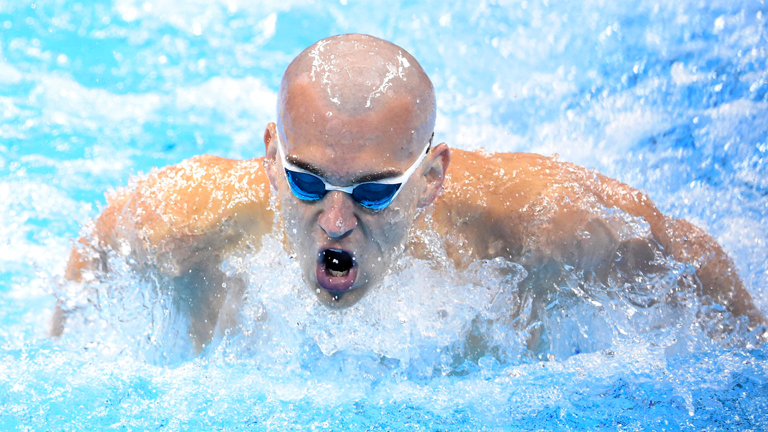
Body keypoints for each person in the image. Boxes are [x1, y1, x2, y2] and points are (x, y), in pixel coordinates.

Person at [51, 34, 765, 352]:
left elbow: (687, 255)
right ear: (271, 159)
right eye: (306, 183)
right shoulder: (182, 223)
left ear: (431, 180)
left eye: (375, 193)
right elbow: (95, 252)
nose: (335, 221)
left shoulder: (545, 223)